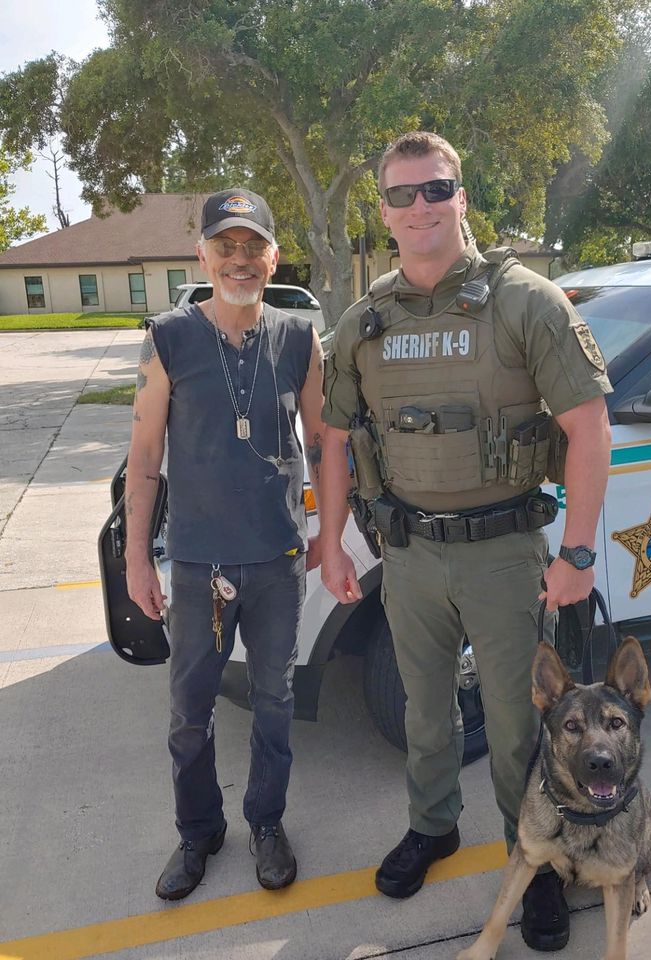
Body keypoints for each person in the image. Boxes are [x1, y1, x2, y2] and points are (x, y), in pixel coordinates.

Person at [320, 133, 612, 952]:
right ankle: (432, 826)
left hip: (502, 550)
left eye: (435, 189)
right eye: (402, 194)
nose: (420, 207)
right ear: (381, 208)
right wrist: (334, 542)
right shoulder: (365, 320)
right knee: (424, 708)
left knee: (522, 723)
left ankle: (542, 863)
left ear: (461, 195)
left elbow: (588, 428)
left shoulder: (527, 303)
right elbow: (336, 436)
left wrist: (578, 552)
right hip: (407, 554)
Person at [125, 188, 325, 900]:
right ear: (202, 255)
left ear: (274, 257)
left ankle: (266, 823)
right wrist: (136, 560)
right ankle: (198, 830)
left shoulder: (300, 339)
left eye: (253, 247)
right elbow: (145, 455)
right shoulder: (168, 337)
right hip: (199, 565)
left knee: (274, 701)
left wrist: (326, 531)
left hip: (276, 560)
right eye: (225, 246)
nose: (239, 260)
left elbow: (326, 442)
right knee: (190, 710)